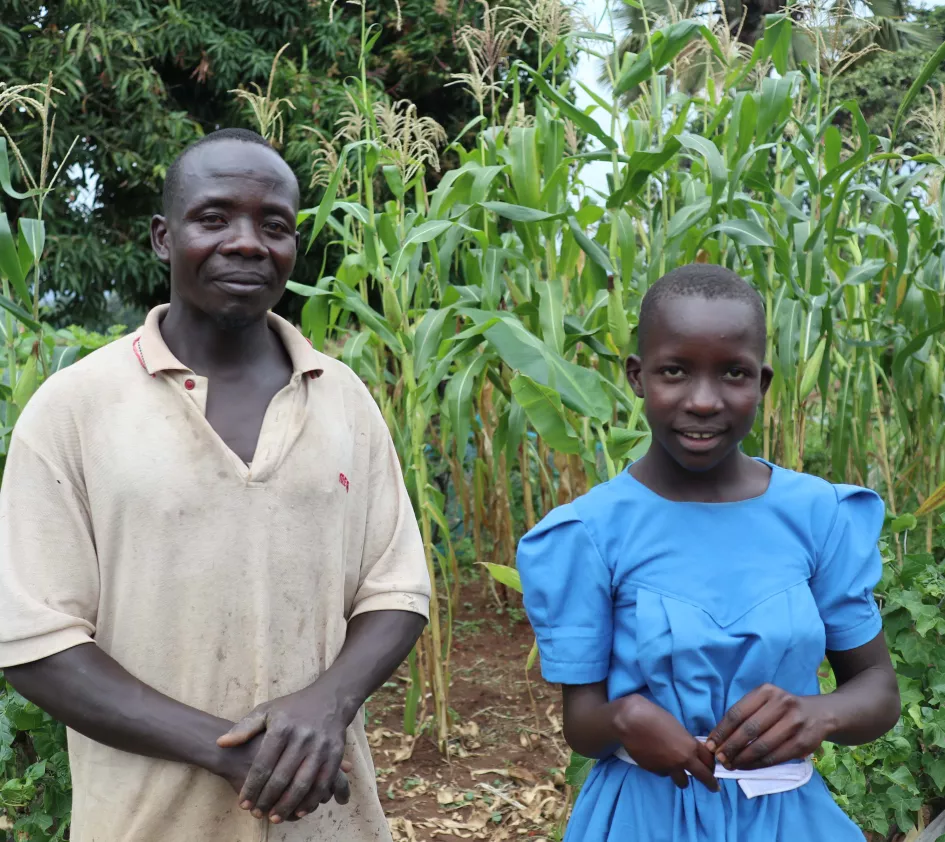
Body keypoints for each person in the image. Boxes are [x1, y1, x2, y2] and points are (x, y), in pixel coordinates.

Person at [0, 128, 430, 842]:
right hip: (148, 823)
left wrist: (327, 703)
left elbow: (396, 590)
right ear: (163, 239)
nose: (247, 243)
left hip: (324, 819)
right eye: (214, 218)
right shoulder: (76, 408)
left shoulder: (344, 400)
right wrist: (229, 750)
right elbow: (35, 643)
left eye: (274, 225)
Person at [517, 264, 901, 841]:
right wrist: (624, 718)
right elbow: (583, 722)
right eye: (675, 371)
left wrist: (818, 714)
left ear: (762, 383)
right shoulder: (589, 533)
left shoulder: (819, 515)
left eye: (733, 374)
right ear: (637, 376)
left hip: (785, 818)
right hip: (644, 817)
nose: (703, 401)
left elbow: (877, 688)